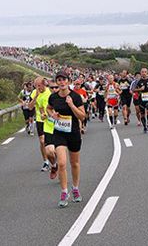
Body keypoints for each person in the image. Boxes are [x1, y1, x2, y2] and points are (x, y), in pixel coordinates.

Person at [47, 71, 85, 208]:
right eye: (59, 80)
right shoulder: (53, 97)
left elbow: (82, 117)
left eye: (64, 80)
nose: (61, 82)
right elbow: (48, 109)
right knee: (62, 163)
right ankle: (64, 192)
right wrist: (53, 115)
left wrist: (72, 105)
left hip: (73, 132)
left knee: (74, 163)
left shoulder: (75, 97)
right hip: (59, 133)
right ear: (56, 82)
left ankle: (75, 188)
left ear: (68, 81)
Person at [29, 77, 51, 171]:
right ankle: (46, 161)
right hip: (40, 120)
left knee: (51, 143)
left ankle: (54, 159)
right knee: (42, 141)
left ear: (44, 84)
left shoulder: (49, 93)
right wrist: (35, 97)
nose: (38, 88)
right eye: (36, 86)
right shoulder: (34, 92)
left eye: (39, 86)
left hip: (50, 120)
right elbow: (30, 107)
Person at [40, 80, 60, 179]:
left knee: (59, 152)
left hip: (62, 129)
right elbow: (41, 110)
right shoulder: (44, 97)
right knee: (49, 151)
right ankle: (54, 165)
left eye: (56, 87)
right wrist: (43, 115)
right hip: (49, 128)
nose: (54, 89)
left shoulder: (65, 98)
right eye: (52, 87)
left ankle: (62, 168)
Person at [134, 68, 148, 133]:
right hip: (141, 99)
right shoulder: (138, 81)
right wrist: (140, 89)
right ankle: (145, 127)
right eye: (142, 72)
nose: (144, 73)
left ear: (147, 73)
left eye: (145, 72)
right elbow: (133, 89)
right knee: (142, 114)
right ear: (141, 73)